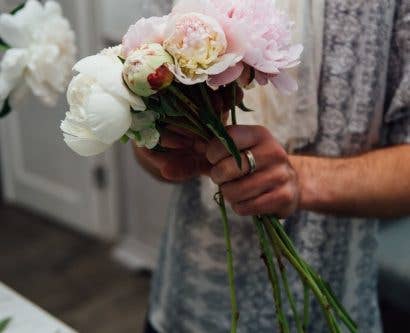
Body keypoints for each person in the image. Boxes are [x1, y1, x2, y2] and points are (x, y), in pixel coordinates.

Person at [135, 0, 410, 332]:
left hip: (330, 304)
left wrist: (298, 180)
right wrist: (159, 145)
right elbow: (146, 139)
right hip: (189, 303)